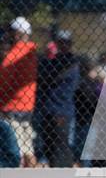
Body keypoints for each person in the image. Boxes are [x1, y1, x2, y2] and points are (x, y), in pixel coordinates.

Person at [34, 30, 80, 167]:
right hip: (48, 109)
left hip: (61, 109)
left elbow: (49, 78)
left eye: (66, 42)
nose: (62, 45)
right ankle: (56, 170)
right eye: (60, 42)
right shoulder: (53, 61)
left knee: (60, 145)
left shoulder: (71, 62)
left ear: (70, 44)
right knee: (49, 146)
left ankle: (64, 174)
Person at [0, 16, 38, 167]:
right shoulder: (31, 51)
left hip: (11, 105)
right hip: (27, 105)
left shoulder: (15, 54)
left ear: (16, 33)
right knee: (27, 148)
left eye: (11, 32)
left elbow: (4, 80)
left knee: (16, 151)